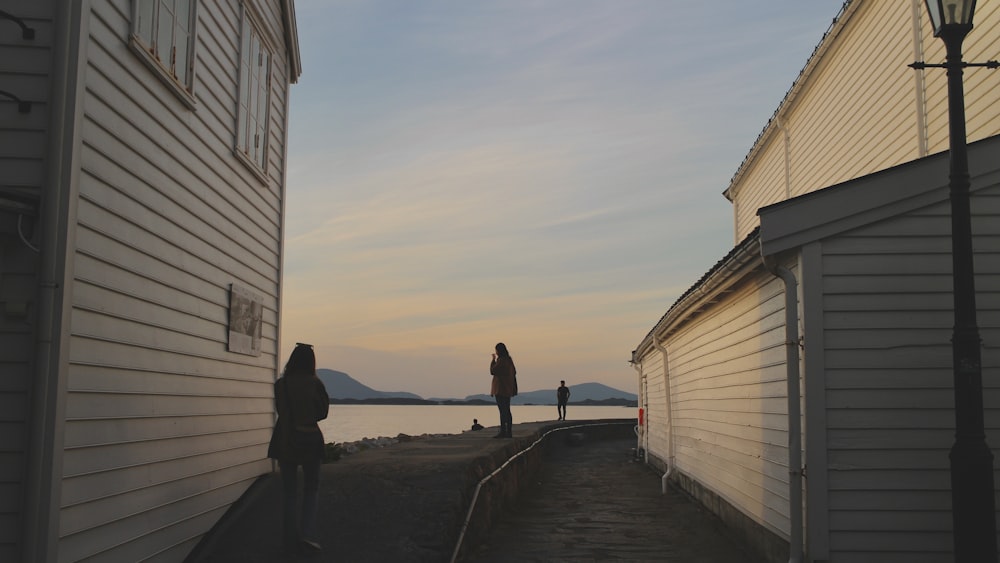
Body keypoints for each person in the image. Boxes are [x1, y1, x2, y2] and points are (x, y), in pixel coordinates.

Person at [267, 343, 330, 554]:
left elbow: (281, 410)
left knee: (289, 492)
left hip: (285, 439)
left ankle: (289, 541)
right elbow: (322, 413)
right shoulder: (316, 384)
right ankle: (308, 536)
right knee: (311, 489)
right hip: (311, 438)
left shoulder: (280, 385)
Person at [489, 342, 518, 438]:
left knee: (502, 411)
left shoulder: (501, 361)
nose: (496, 352)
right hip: (508, 388)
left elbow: (493, 371)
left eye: (496, 350)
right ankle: (508, 432)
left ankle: (503, 432)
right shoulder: (509, 360)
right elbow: (514, 372)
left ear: (499, 351)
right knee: (507, 410)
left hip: (500, 389)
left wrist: (493, 360)